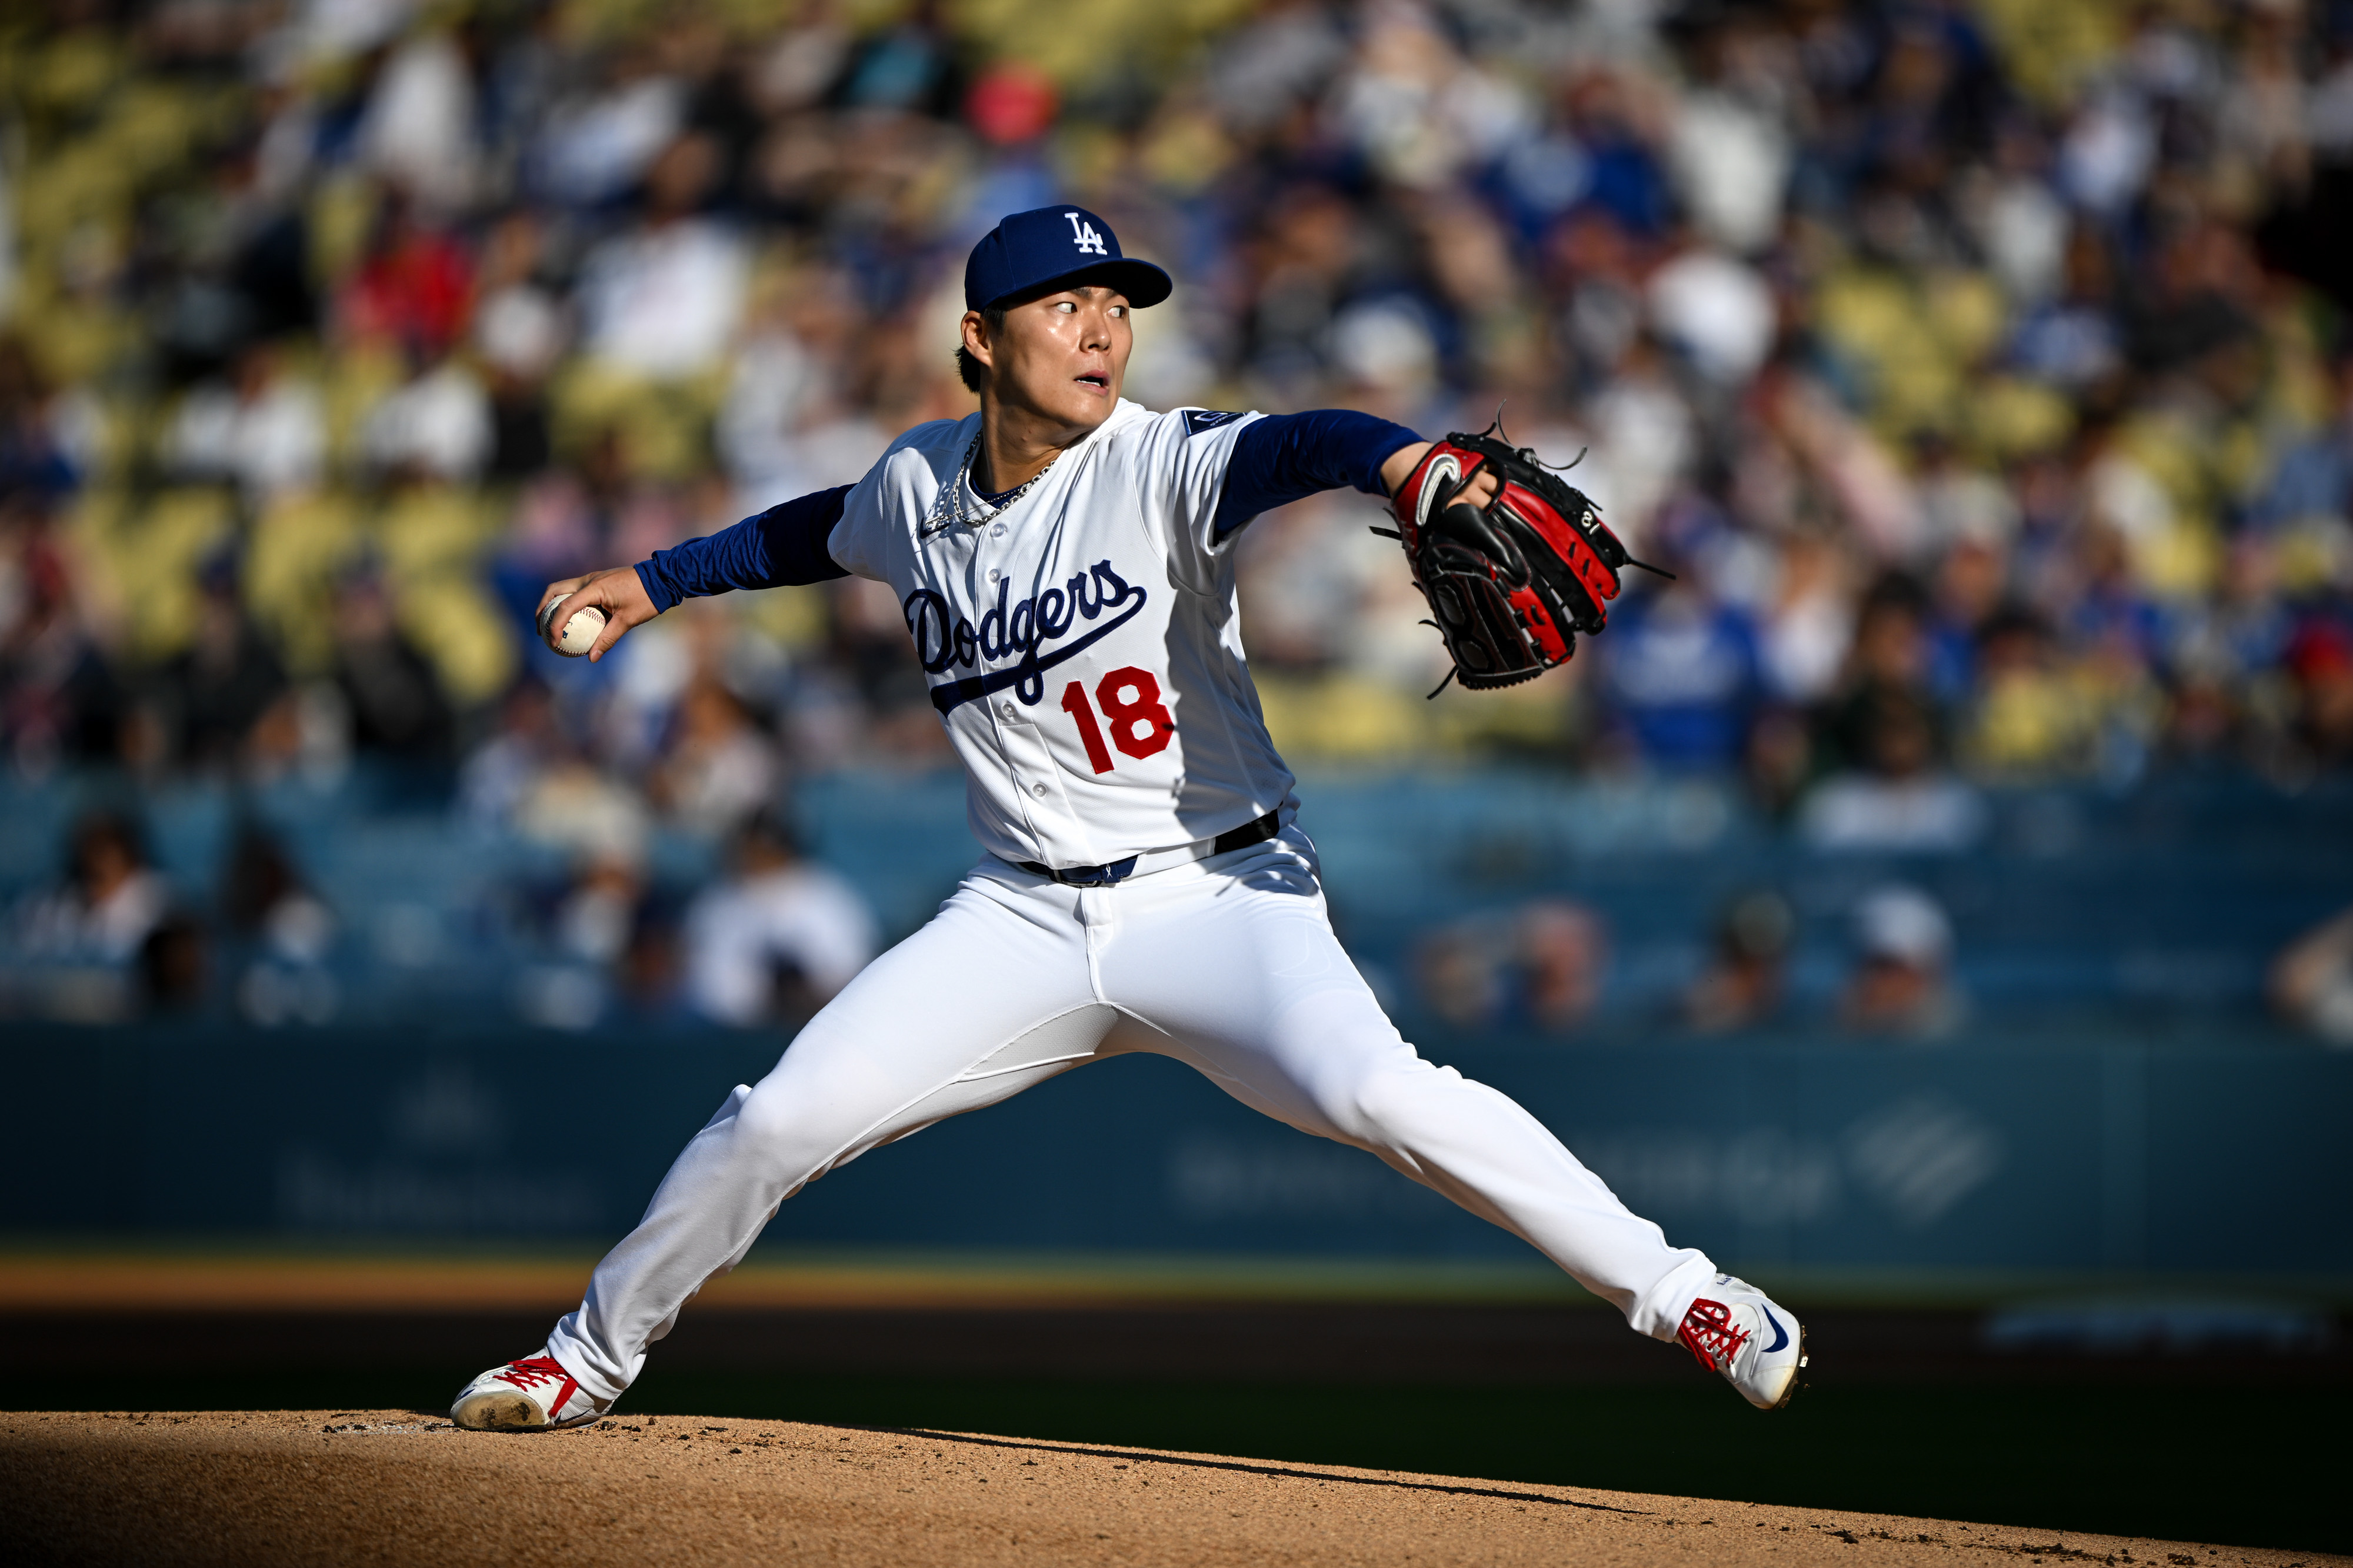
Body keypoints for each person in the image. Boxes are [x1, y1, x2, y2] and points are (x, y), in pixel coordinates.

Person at [449, 206, 1806, 1432]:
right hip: (1020, 915)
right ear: (979, 340)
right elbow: (812, 531)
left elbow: (1304, 443)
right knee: (773, 1120)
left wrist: (1398, 463)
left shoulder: (1159, 460)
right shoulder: (913, 486)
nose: (1101, 328)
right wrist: (656, 578)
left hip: (1220, 900)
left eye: (1117, 304)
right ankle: (584, 1358)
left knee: (1380, 1090)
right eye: (1064, 304)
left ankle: (1694, 1298)